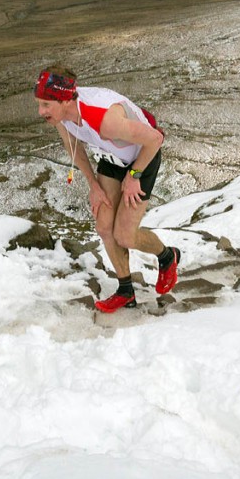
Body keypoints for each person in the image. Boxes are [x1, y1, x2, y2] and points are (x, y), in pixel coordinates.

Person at [34, 65, 180, 313]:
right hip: (111, 158)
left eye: (46, 104)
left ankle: (167, 256)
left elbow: (155, 139)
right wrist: (94, 185)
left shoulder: (103, 118)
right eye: (39, 103)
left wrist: (134, 175)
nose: (41, 111)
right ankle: (126, 291)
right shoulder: (62, 115)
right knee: (103, 226)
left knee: (125, 235)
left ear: (65, 99)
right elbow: (75, 150)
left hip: (141, 158)